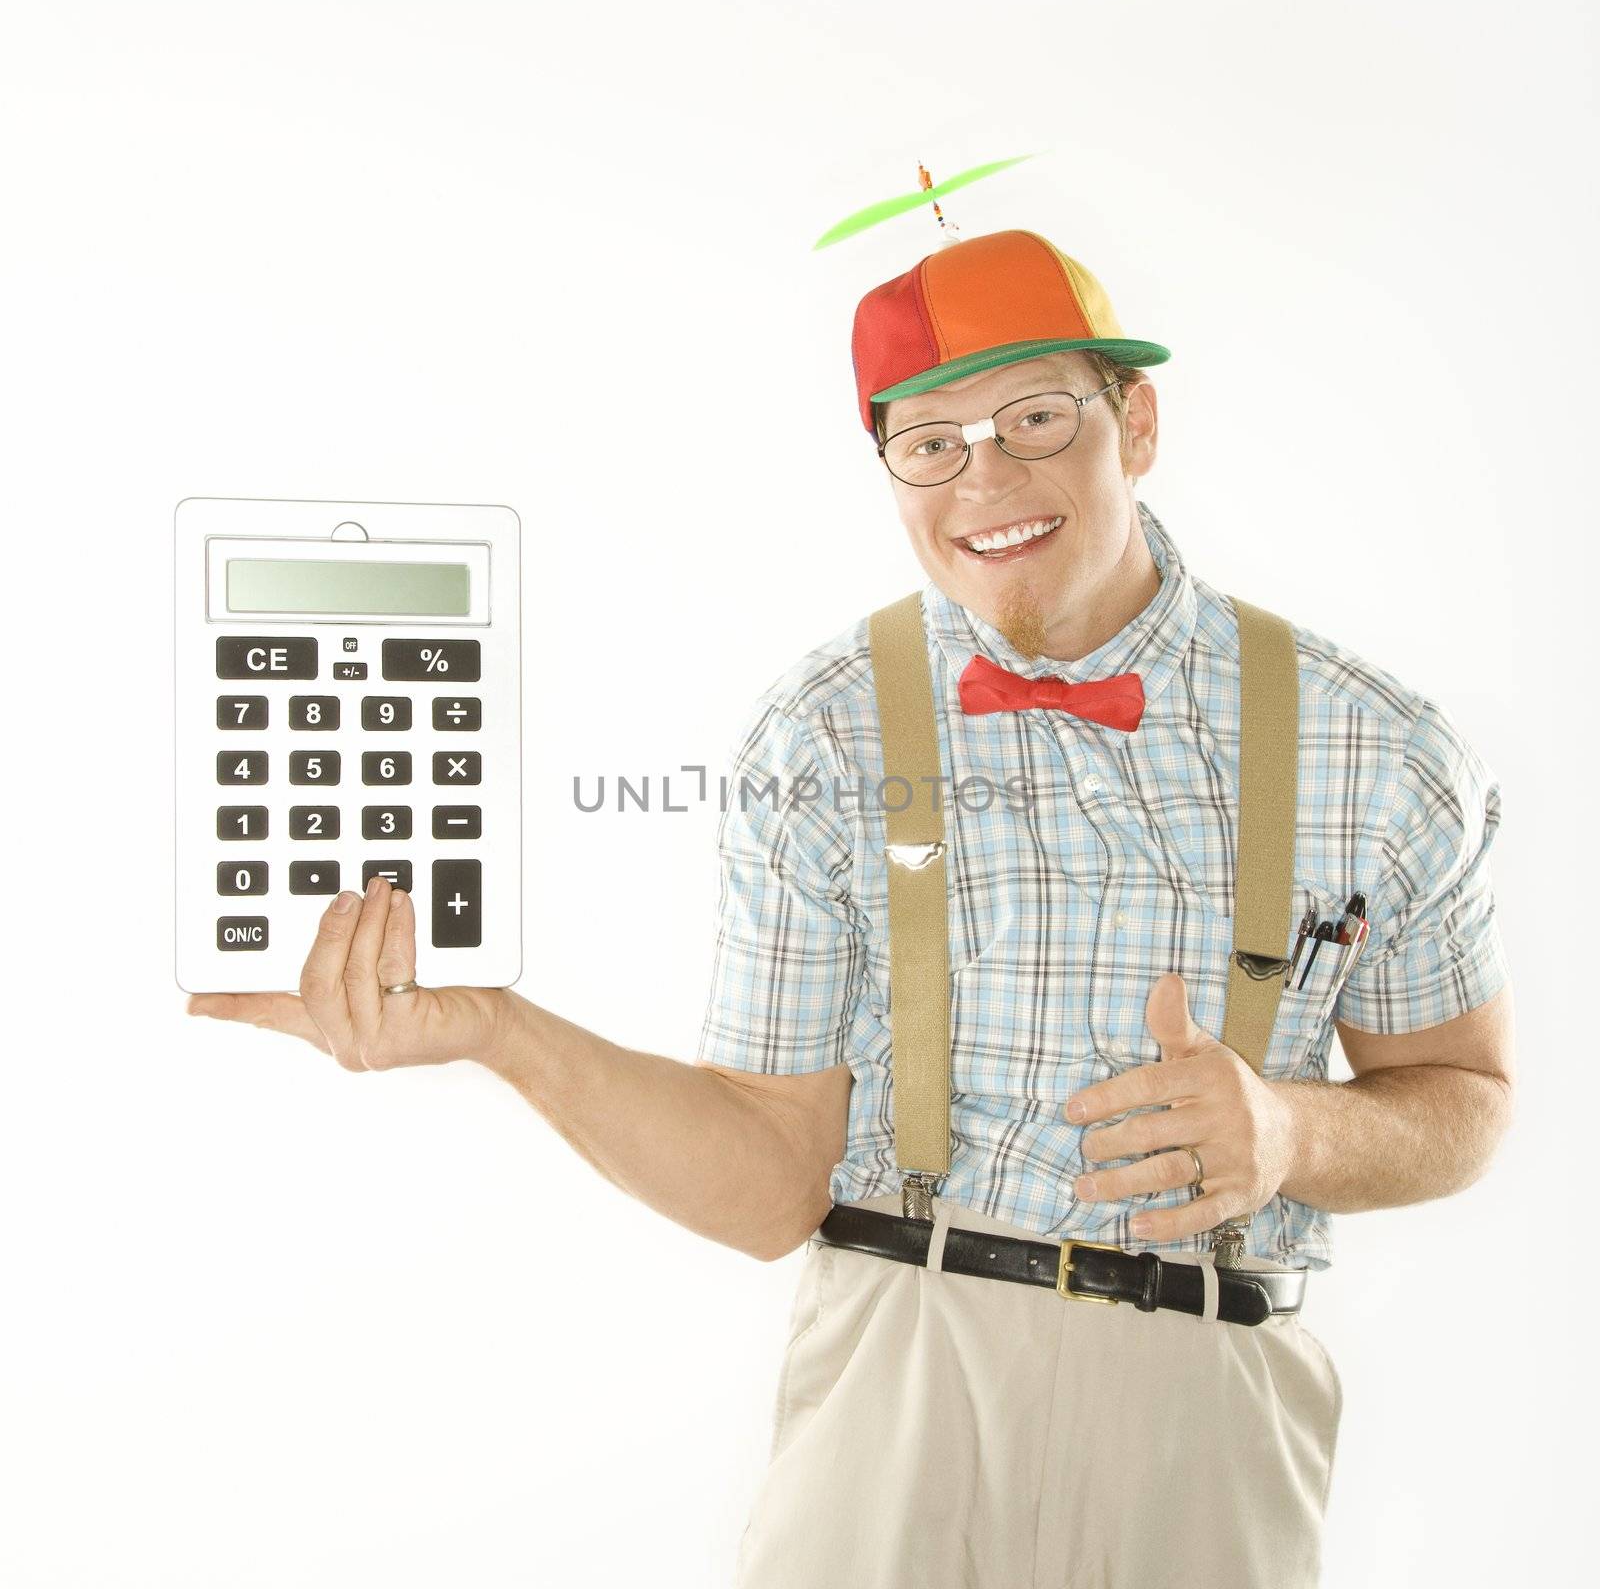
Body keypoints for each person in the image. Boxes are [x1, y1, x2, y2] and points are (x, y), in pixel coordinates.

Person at [186, 228, 1516, 1588]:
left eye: (1036, 419)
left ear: (1140, 422)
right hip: (899, 1378)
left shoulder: (1377, 748)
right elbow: (772, 1182)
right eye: (929, 442)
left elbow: (1465, 1100)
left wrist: (1292, 1129)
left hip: (1208, 1413)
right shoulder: (820, 735)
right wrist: (498, 1032)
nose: (985, 478)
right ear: (889, 468)